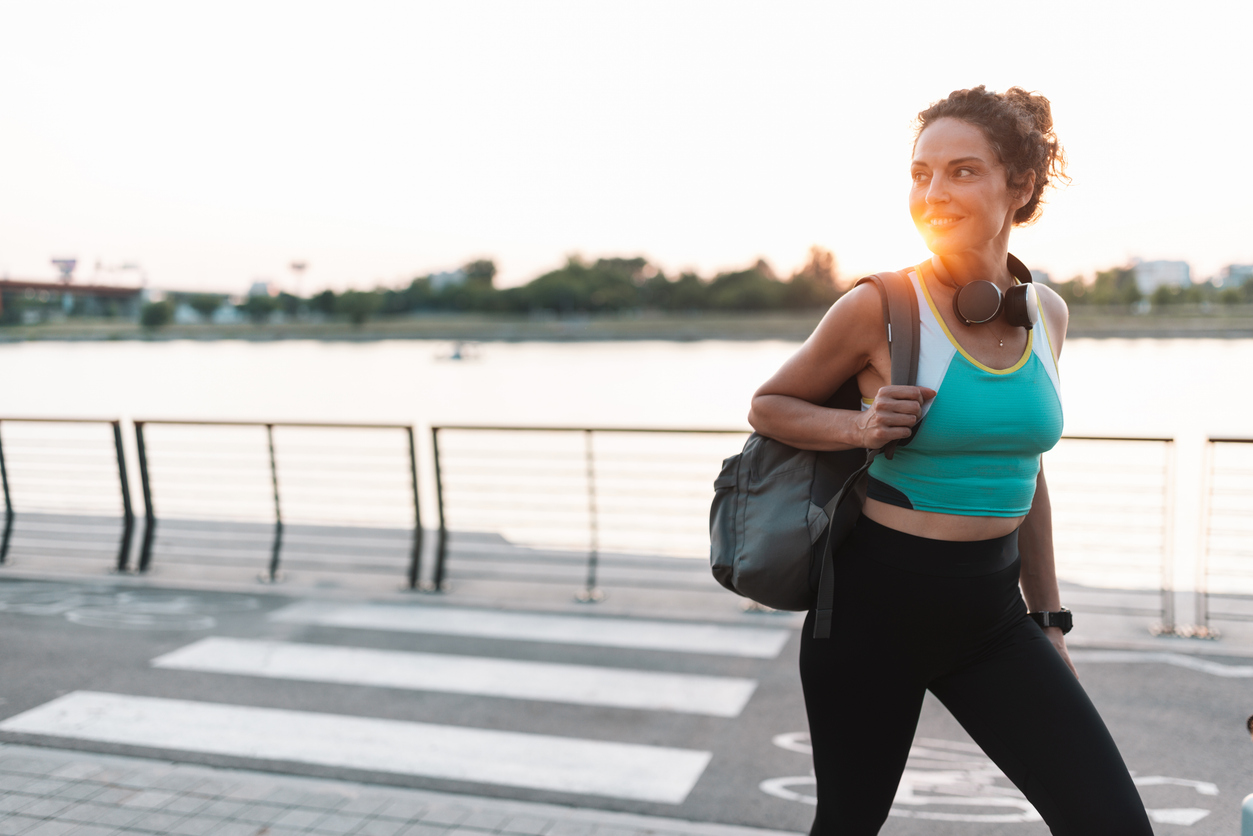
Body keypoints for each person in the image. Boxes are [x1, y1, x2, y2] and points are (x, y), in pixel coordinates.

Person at [748, 86, 1154, 834]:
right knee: (846, 826)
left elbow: (1027, 477)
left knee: (1111, 824)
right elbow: (769, 406)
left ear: (1019, 184)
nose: (933, 192)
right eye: (920, 172)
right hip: (870, 613)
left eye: (961, 171)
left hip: (992, 619)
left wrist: (1049, 622)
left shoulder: (1047, 313)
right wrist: (859, 428)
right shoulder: (879, 305)